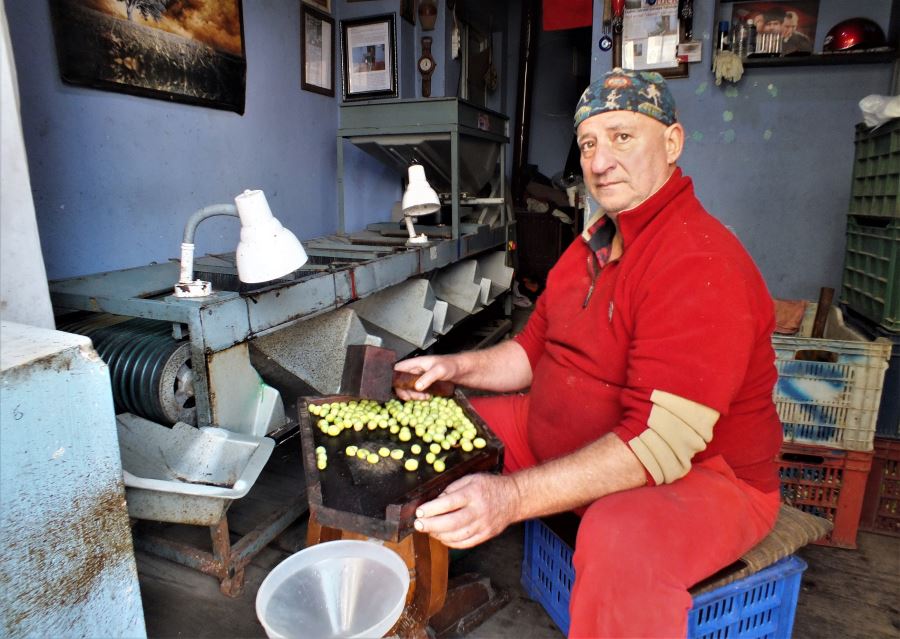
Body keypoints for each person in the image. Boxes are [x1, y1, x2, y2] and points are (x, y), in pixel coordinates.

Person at [394, 68, 782, 638]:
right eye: (589, 143)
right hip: (555, 431)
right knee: (434, 431)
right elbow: (531, 352)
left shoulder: (700, 261)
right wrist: (454, 367)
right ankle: (406, 604)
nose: (600, 162)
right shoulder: (590, 245)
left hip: (707, 479)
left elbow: (658, 445)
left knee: (620, 541)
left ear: (672, 143)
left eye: (622, 137)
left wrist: (511, 497)